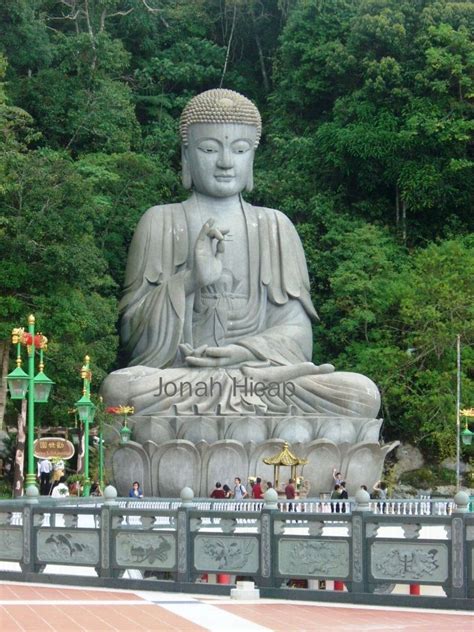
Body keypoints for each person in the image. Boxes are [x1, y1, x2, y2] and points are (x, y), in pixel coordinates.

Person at [101, 88, 381, 419]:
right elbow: (133, 334)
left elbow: (299, 336)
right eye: (209, 148)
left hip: (262, 380)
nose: (224, 162)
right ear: (186, 155)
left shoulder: (276, 226)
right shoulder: (160, 222)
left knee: (360, 393)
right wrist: (192, 280)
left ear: (252, 157)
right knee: (119, 390)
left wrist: (240, 352)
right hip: (183, 381)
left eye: (239, 149)